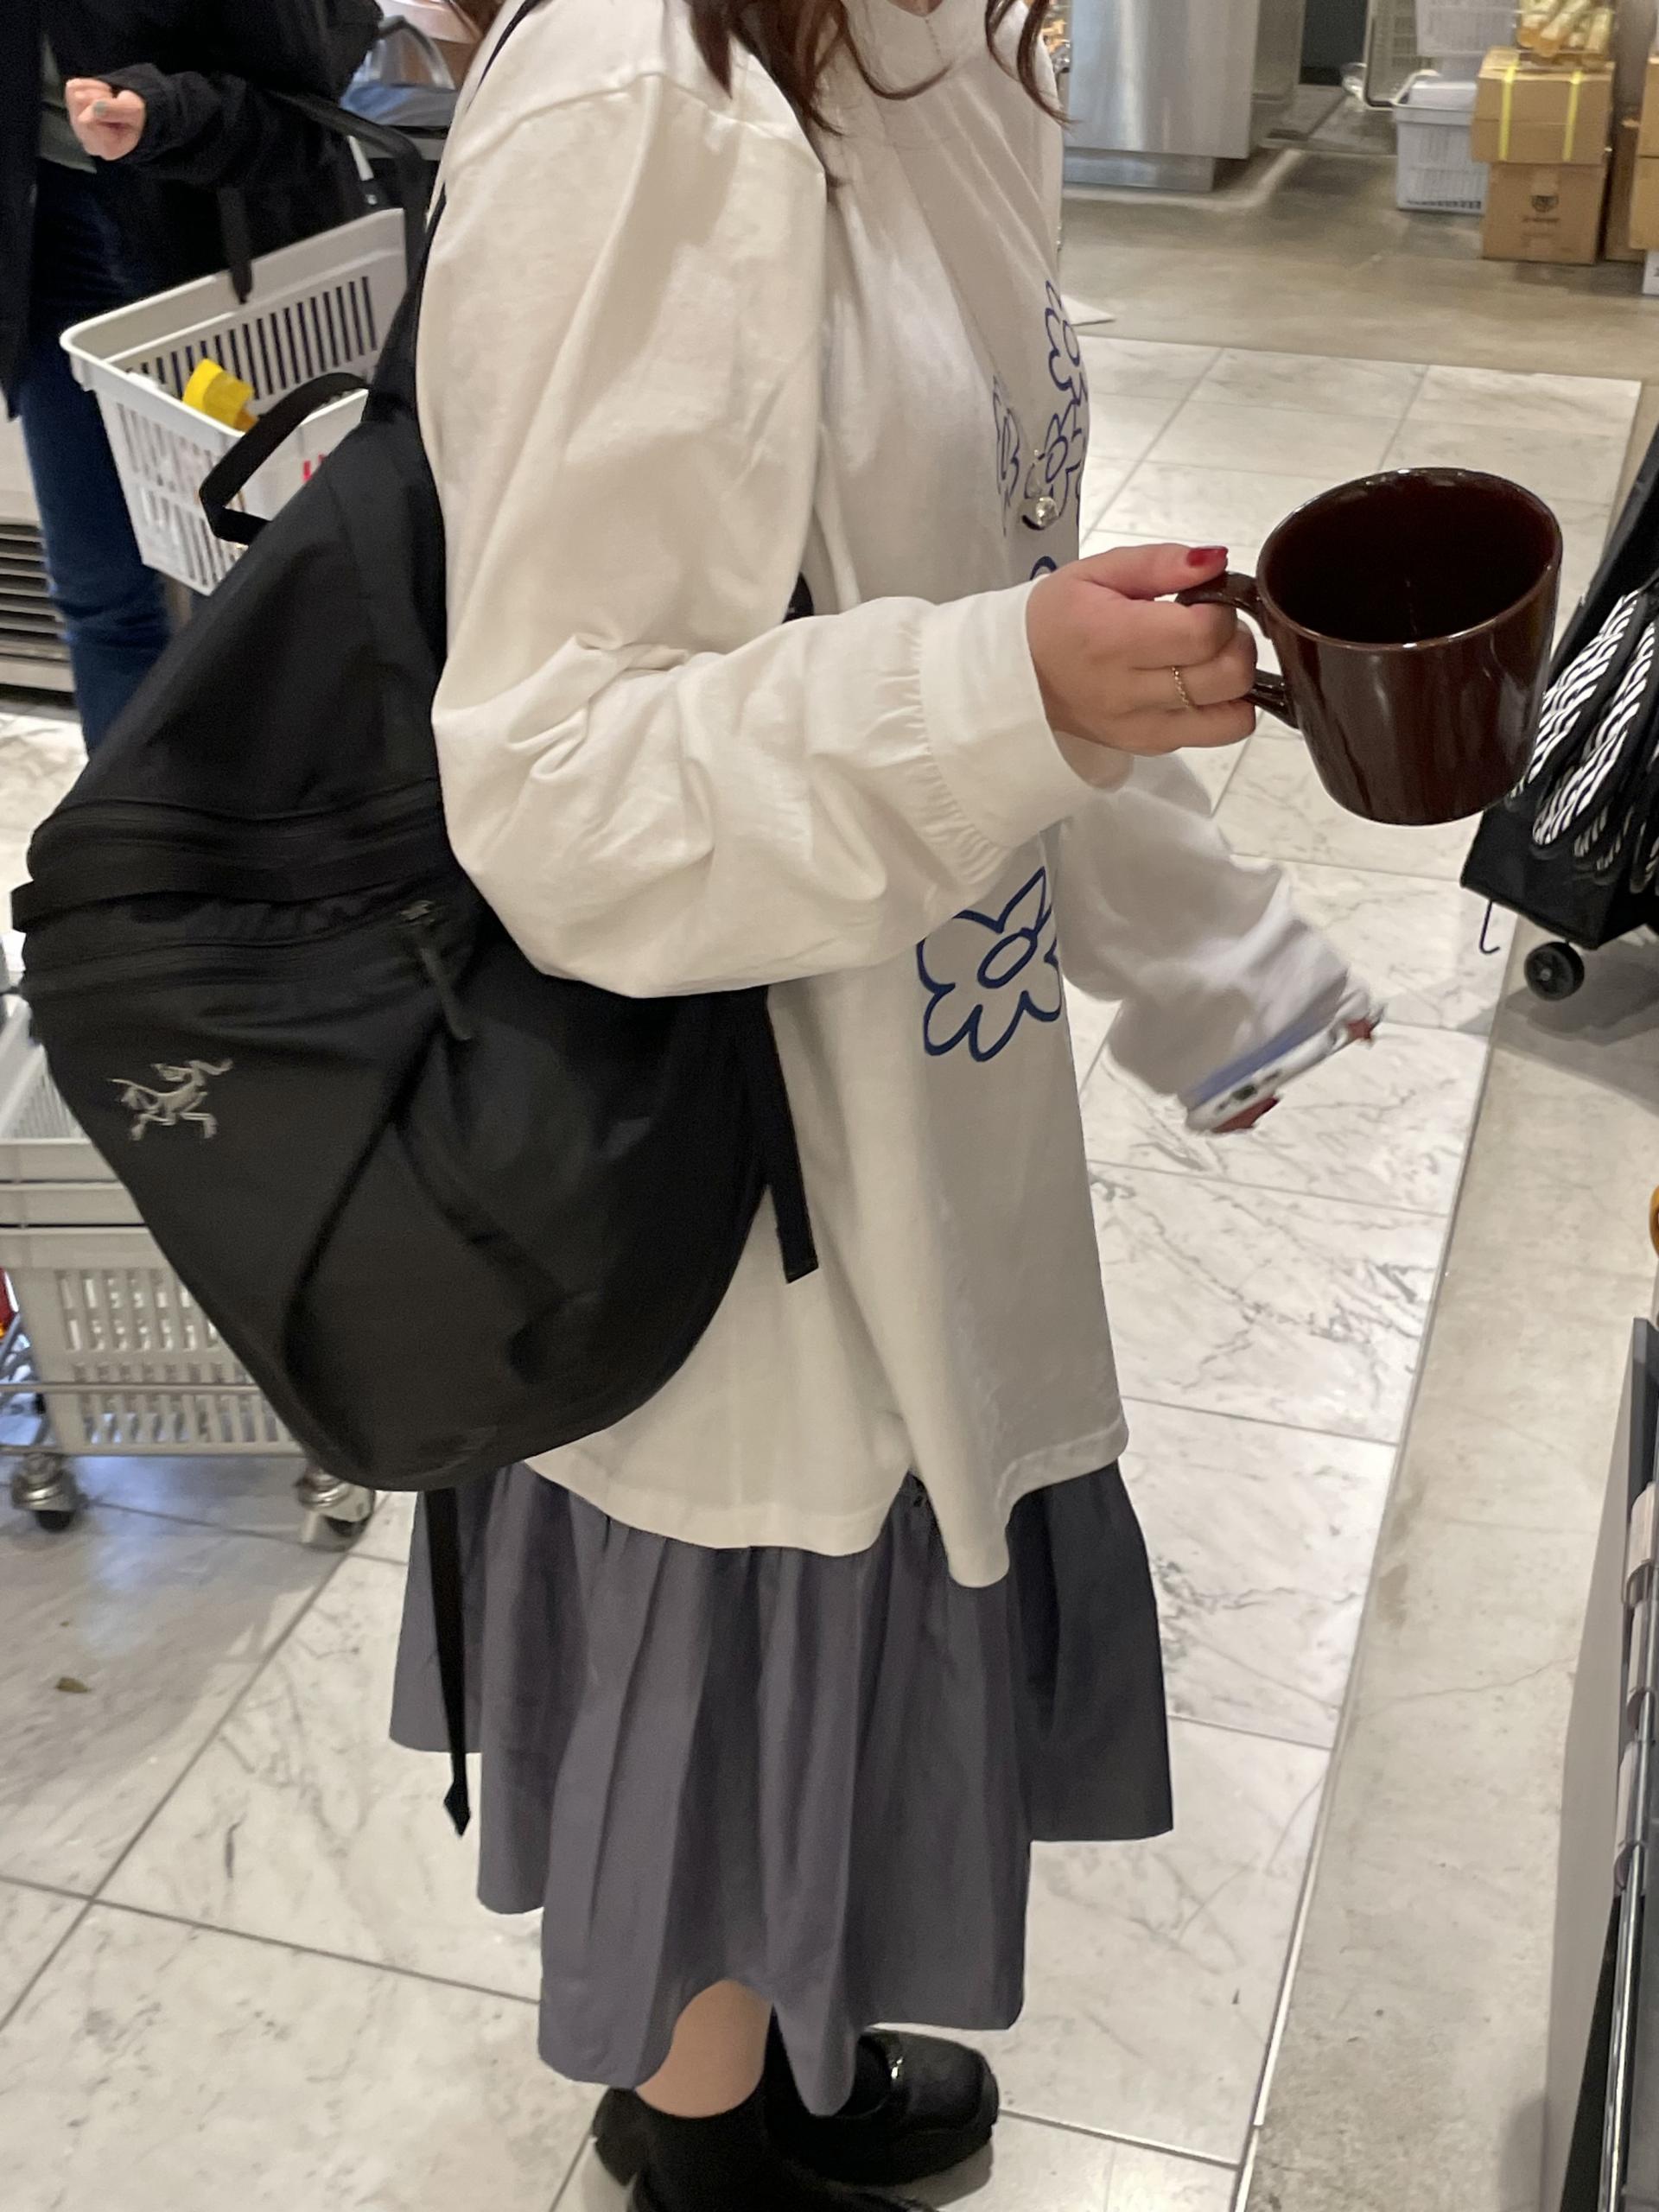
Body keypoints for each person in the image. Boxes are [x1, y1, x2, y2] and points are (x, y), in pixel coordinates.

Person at [390, 4, 1374, 2209]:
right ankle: (702, 2139)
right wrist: (1004, 683)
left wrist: (1213, 956)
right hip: (723, 1169)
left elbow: (984, 577)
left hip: (907, 1080)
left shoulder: (940, 62)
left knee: (832, 1675)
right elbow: (553, 781)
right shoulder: (643, 98)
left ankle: (773, 2068)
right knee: (741, 1664)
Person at [0, 0, 380, 747]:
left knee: (249, 585)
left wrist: (163, 112)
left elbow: (306, 104)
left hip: (221, 242)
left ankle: (256, 810)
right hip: (46, 240)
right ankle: (127, 816)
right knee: (98, 590)